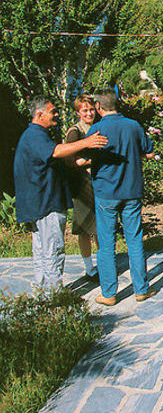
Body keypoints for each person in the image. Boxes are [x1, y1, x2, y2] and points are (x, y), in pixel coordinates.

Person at [13, 96, 107, 290]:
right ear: (39, 115)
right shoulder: (35, 135)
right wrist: (86, 142)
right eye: (53, 112)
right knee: (52, 252)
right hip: (46, 204)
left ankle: (43, 293)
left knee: (42, 252)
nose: (56, 114)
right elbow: (55, 151)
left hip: (40, 203)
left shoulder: (35, 134)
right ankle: (54, 296)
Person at [87, 89, 157, 306]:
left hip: (106, 193)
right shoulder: (133, 126)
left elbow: (87, 156)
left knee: (107, 243)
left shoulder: (96, 129)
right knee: (134, 239)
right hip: (131, 190)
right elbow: (149, 152)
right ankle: (141, 289)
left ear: (98, 106)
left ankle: (109, 293)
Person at [65, 95, 100, 281]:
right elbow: (69, 159)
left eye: (91, 109)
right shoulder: (75, 132)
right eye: (85, 110)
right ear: (78, 112)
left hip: (99, 183)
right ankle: (89, 268)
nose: (89, 113)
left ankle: (104, 263)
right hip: (83, 185)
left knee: (101, 227)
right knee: (85, 229)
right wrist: (89, 161)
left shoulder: (98, 127)